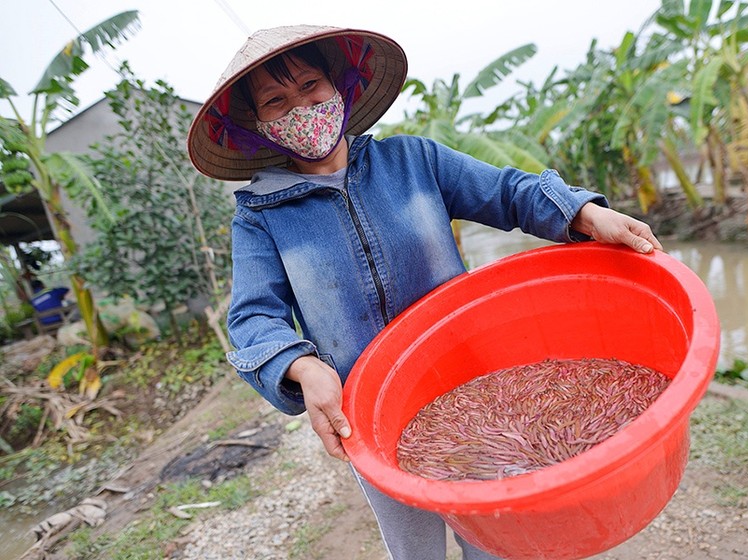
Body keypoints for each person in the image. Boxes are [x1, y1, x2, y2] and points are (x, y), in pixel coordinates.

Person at [187, 24, 663, 560]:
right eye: (276, 100)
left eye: (310, 85)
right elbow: (253, 319)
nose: (300, 106)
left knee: (493, 530)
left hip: (471, 386)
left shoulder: (414, 161)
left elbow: (507, 192)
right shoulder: (260, 218)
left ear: (340, 86)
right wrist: (302, 366)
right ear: (256, 125)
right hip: (370, 413)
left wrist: (583, 211)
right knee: (415, 548)